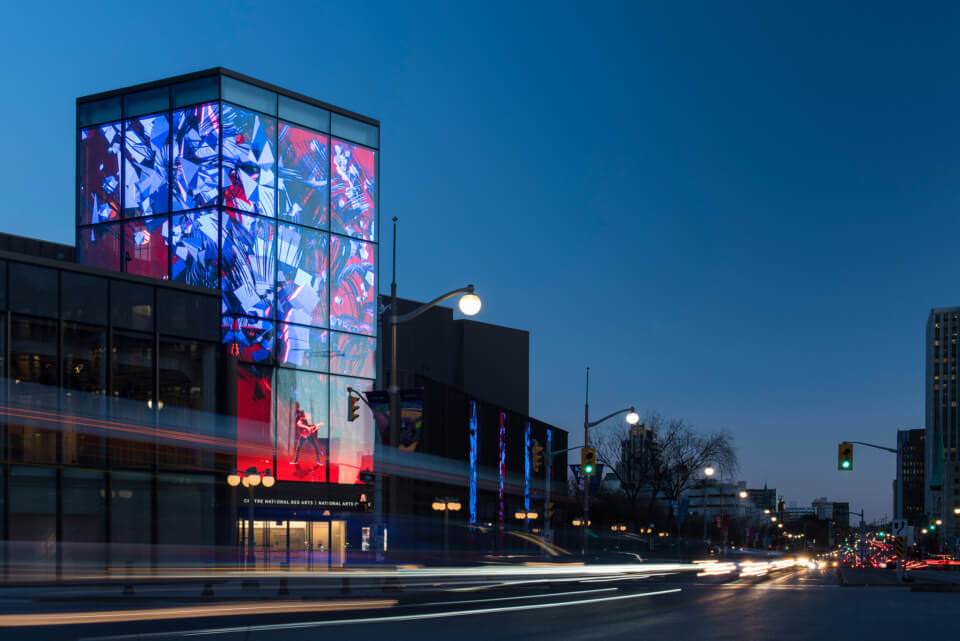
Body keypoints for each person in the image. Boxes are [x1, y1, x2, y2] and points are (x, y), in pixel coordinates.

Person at [292, 402, 323, 466]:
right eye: (308, 415)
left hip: (308, 436)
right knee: (298, 448)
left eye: (310, 415)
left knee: (316, 447)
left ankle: (318, 462)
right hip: (303, 436)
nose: (309, 416)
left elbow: (312, 431)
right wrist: (307, 427)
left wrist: (315, 427)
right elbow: (298, 424)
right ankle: (295, 461)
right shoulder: (302, 420)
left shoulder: (311, 422)